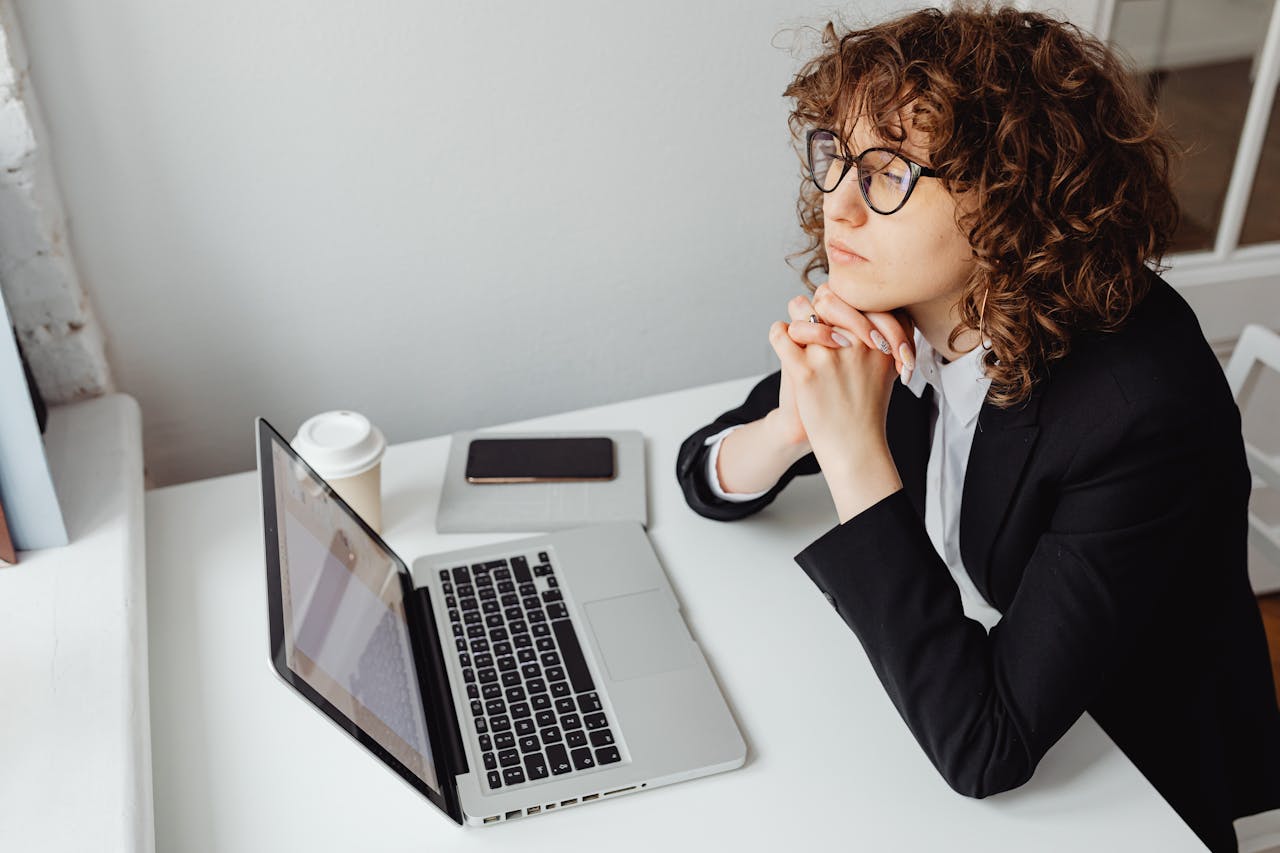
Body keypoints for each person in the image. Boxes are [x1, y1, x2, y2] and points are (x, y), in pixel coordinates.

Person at [673, 4, 1280, 850]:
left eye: (887, 171)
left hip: (1135, 772)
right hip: (979, 667)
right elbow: (702, 475)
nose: (836, 207)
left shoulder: (1139, 411)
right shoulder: (912, 301)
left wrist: (853, 451)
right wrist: (790, 425)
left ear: (1010, 195)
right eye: (837, 158)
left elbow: (985, 748)